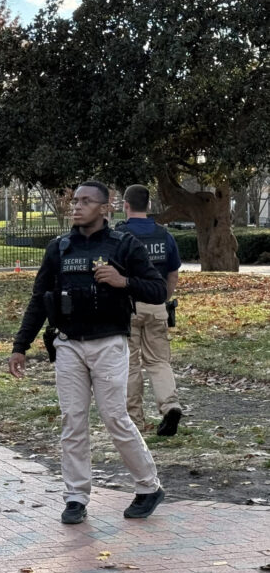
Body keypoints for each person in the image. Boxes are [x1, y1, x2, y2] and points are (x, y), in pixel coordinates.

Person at [8, 181, 167, 525]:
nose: (76, 207)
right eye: (74, 201)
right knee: (73, 420)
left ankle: (148, 486)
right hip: (68, 344)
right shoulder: (59, 248)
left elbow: (157, 290)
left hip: (109, 343)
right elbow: (39, 300)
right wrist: (20, 346)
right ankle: (75, 497)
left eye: (85, 201)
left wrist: (123, 281)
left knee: (114, 418)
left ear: (106, 207)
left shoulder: (124, 245)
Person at [114, 185, 183, 436]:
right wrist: (163, 297)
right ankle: (170, 405)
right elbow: (173, 272)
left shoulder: (119, 236)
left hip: (128, 306)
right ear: (149, 206)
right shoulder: (164, 235)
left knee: (130, 364)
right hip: (156, 306)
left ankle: (134, 420)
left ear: (125, 205)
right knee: (158, 361)